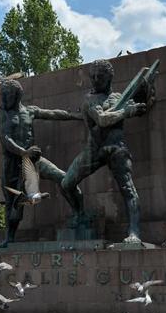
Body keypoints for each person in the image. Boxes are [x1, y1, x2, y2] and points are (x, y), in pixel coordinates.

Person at [61, 59, 150, 242]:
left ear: (109, 77)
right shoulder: (90, 100)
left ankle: (134, 232)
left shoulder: (120, 98)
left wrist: (145, 91)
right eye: (92, 77)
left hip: (117, 148)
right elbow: (102, 120)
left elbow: (142, 104)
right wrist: (126, 112)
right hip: (94, 149)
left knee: (128, 188)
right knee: (66, 184)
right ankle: (80, 215)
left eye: (99, 76)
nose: (94, 80)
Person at [0, 78, 83, 247]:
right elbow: (5, 138)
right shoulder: (2, 115)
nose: (4, 99)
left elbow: (54, 114)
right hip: (13, 165)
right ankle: (9, 239)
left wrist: (76, 116)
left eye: (8, 95)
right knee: (13, 204)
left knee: (64, 178)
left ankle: (79, 214)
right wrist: (23, 152)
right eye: (2, 95)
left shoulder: (30, 111)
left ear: (18, 95)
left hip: (34, 160)